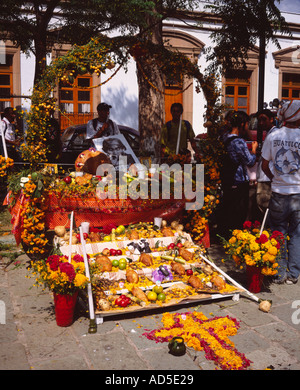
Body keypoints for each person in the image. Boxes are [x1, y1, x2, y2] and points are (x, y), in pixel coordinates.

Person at [261, 100, 300, 285]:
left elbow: (264, 164)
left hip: (278, 192)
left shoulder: (274, 136)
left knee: (279, 232)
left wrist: (275, 178)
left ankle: (279, 273)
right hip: (298, 193)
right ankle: (293, 274)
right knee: (297, 233)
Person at [218, 111, 258, 239]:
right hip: (239, 180)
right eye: (247, 124)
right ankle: (234, 237)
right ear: (242, 124)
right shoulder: (239, 142)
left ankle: (224, 235)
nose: (247, 127)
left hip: (227, 179)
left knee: (227, 208)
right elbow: (250, 161)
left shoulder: (224, 137)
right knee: (238, 212)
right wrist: (253, 150)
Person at [255, 109, 277, 220]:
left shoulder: (273, 135)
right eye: (259, 120)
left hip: (267, 178)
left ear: (272, 119)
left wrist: (271, 178)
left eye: (264, 119)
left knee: (264, 205)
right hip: (266, 177)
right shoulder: (270, 134)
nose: (261, 123)